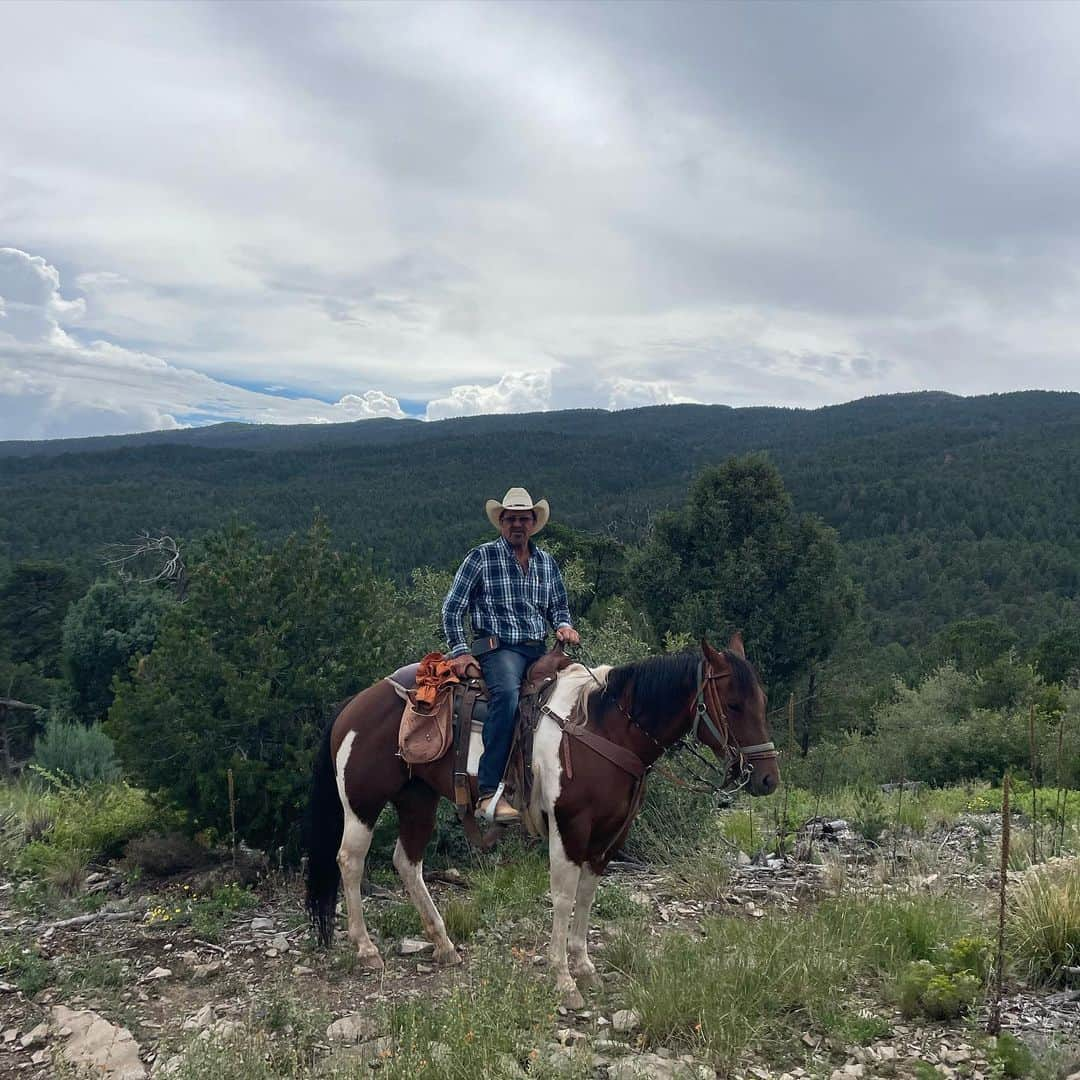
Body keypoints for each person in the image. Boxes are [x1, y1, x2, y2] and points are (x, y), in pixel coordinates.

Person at [441, 487, 581, 823]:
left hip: (538, 650)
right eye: (511, 519)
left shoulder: (546, 562)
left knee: (581, 689)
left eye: (523, 518)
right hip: (499, 648)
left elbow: (559, 606)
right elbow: (451, 609)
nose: (517, 524)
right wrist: (460, 651)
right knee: (505, 697)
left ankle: (564, 782)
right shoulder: (481, 558)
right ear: (501, 523)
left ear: (534, 523)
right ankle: (489, 792)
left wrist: (564, 626)